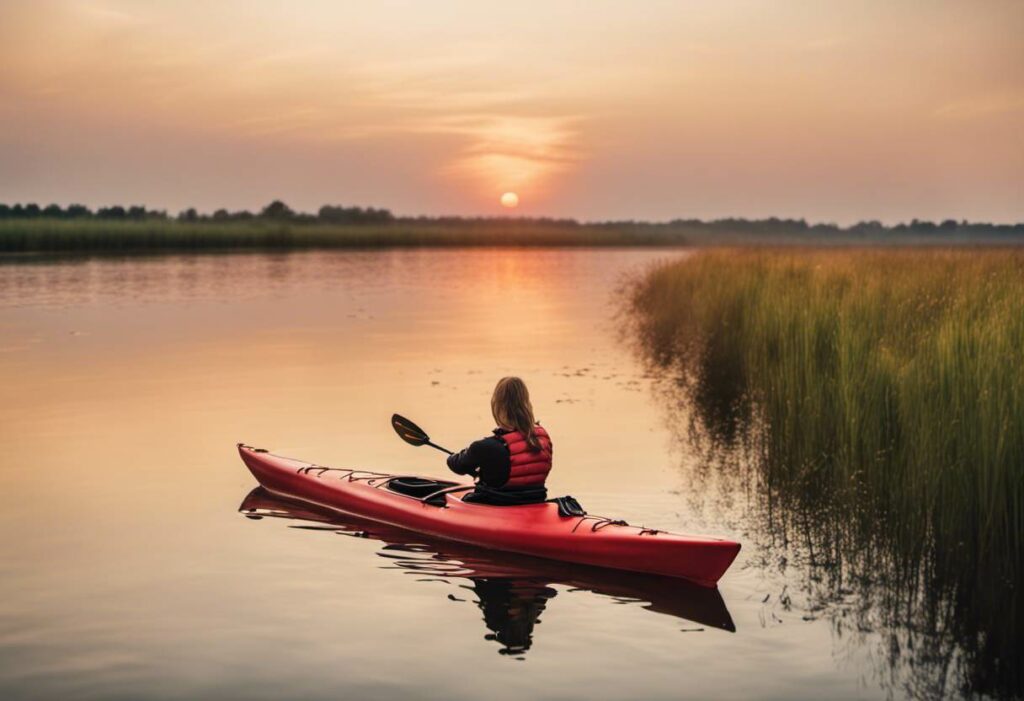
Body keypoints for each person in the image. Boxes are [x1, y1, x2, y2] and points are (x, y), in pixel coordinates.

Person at [446, 377, 553, 505]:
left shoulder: (485, 447)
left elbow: (457, 465)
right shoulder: (542, 437)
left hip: (498, 504)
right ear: (526, 403)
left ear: (497, 406)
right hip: (535, 500)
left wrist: (458, 456)